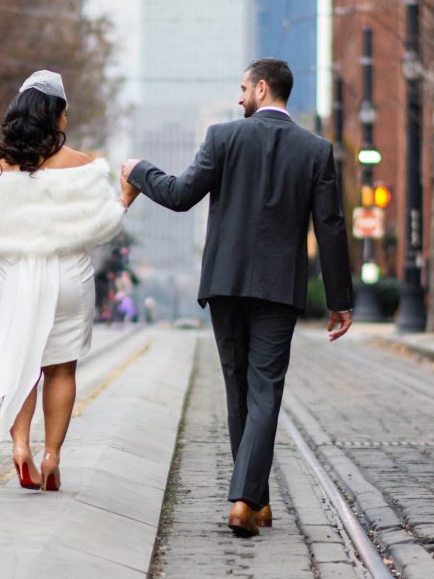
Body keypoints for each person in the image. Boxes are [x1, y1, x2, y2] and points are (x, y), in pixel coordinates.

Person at [121, 58, 354, 537]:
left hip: (226, 284)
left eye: (243, 88)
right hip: (278, 290)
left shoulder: (222, 137)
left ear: (262, 88)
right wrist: (339, 299)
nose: (239, 97)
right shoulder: (316, 150)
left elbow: (181, 194)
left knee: (237, 386)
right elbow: (330, 227)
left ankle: (248, 500)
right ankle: (253, 499)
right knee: (264, 389)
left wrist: (139, 171)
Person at [0, 70, 139, 492]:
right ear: (58, 115)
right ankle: (51, 457)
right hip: (68, 276)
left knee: (20, 361)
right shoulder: (82, 166)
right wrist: (124, 198)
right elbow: (101, 228)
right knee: (61, 368)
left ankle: (22, 447)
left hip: (16, 275)